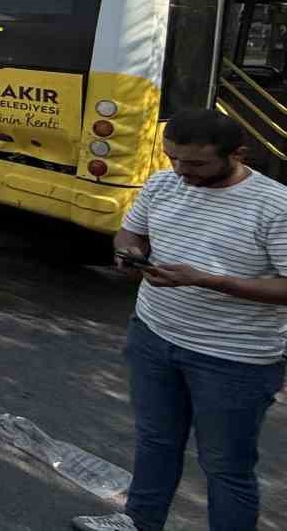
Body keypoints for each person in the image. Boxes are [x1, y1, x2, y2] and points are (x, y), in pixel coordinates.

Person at [74, 109, 287, 531]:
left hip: (234, 360)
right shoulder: (162, 183)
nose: (181, 171)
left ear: (237, 154)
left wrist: (208, 281)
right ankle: (139, 522)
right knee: (156, 441)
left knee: (225, 465)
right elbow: (131, 232)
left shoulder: (275, 206)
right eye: (172, 158)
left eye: (195, 163)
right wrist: (128, 254)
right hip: (153, 337)